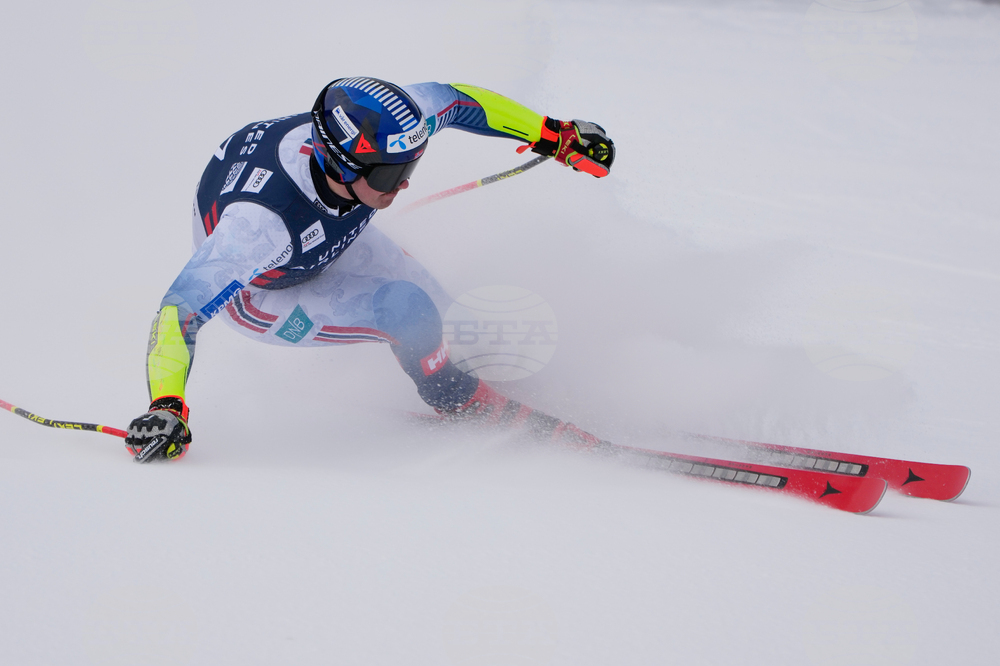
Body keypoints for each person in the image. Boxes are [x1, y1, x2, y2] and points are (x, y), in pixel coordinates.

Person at [124, 77, 615, 463]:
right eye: (389, 173)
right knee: (408, 310)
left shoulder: (388, 126)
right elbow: (178, 312)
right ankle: (456, 397)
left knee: (453, 318)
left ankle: (468, 364)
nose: (402, 185)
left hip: (329, 234)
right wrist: (166, 406)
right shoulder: (257, 226)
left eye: (410, 167)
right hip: (263, 294)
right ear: (338, 165)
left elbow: (460, 99)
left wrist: (555, 135)